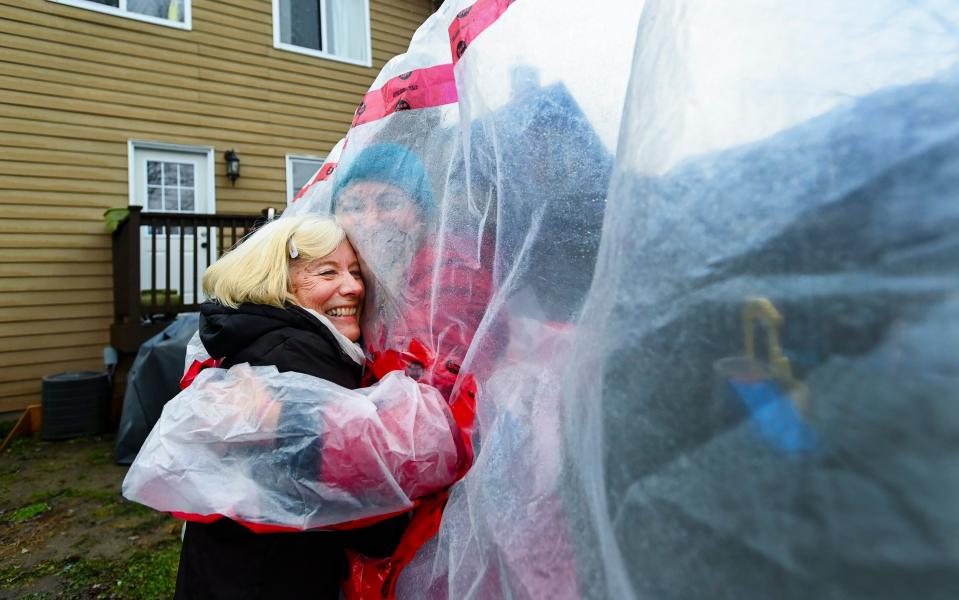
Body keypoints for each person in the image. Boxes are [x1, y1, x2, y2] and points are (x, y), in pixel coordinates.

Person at [125, 215, 466, 599]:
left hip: (225, 571)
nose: (353, 287)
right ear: (277, 281)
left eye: (355, 272)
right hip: (270, 579)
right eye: (327, 273)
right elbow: (365, 509)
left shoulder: (251, 337)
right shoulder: (300, 357)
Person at [331, 144, 493, 598]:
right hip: (378, 516)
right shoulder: (348, 285)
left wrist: (311, 441)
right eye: (353, 205)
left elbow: (435, 417)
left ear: (421, 216)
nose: (370, 218)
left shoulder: (453, 278)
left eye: (388, 202)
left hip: (446, 514)